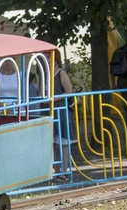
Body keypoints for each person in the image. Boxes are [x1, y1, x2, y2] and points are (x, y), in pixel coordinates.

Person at [53, 53, 74, 182]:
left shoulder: (61, 73)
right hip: (50, 110)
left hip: (60, 110)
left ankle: (64, 171)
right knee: (54, 143)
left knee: (63, 143)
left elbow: (69, 91)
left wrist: (54, 99)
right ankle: (56, 171)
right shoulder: (44, 74)